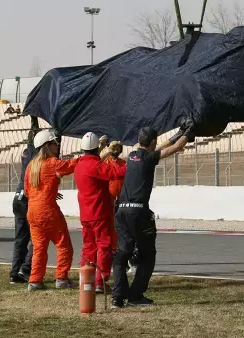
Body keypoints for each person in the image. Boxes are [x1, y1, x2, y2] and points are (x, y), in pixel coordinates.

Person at [111, 121, 192, 308]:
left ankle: (117, 298)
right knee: (148, 254)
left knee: (121, 255)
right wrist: (189, 132)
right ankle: (136, 296)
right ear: (153, 141)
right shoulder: (148, 159)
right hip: (138, 212)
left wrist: (178, 133)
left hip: (121, 211)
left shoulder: (132, 156)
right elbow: (177, 147)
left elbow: (161, 147)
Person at [24, 128, 79, 291]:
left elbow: (28, 191)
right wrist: (87, 156)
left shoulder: (31, 166)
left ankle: (34, 281)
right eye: (55, 143)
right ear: (47, 146)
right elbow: (70, 165)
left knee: (39, 248)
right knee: (64, 245)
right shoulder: (52, 163)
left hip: (32, 211)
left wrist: (48, 193)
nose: (57, 146)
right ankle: (61, 278)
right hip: (48, 210)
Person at [75, 132, 127, 294]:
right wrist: (134, 160)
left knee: (88, 248)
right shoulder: (96, 166)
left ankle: (86, 281)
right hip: (100, 212)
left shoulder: (79, 164)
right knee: (103, 247)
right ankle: (100, 281)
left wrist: (103, 149)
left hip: (85, 214)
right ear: (97, 148)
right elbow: (116, 173)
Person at [10, 117, 40, 284]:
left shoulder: (26, 152)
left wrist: (34, 120)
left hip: (18, 196)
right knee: (37, 237)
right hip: (29, 197)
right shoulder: (36, 154)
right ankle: (26, 268)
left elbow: (34, 130)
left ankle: (14, 273)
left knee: (20, 238)